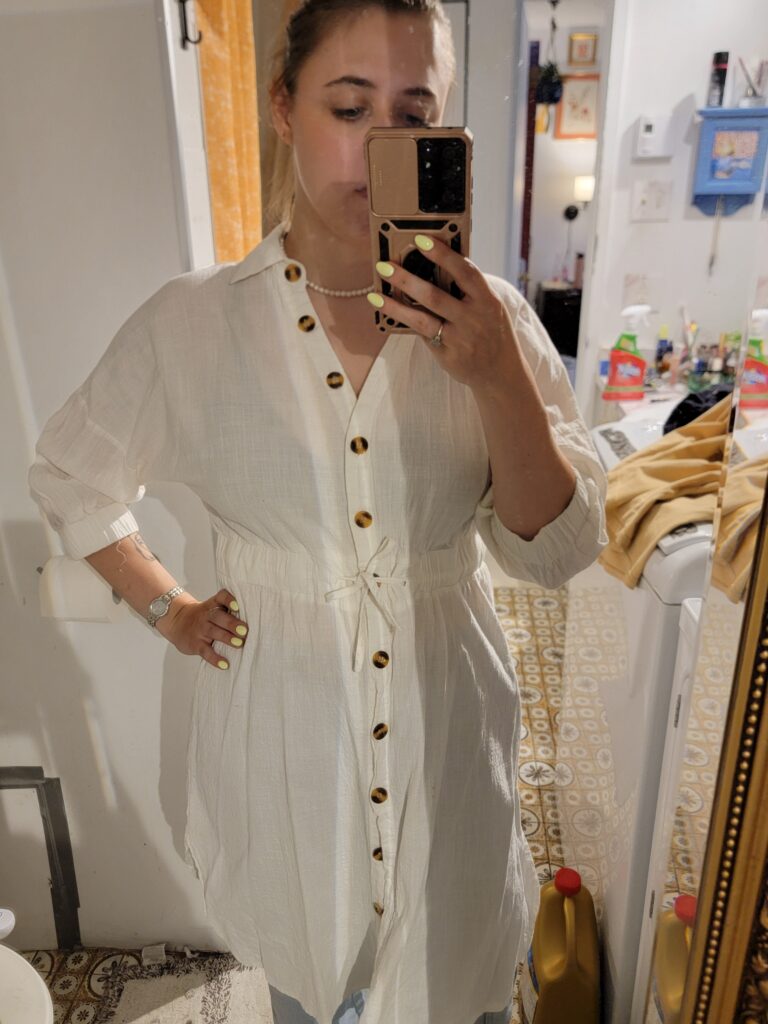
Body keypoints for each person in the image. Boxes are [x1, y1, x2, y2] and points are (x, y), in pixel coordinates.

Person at [27, 1, 608, 1021]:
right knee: (306, 990)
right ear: (284, 109)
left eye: (412, 115)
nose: (379, 146)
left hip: (450, 750)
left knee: (454, 986)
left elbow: (554, 551)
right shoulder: (194, 324)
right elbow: (72, 473)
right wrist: (169, 608)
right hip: (282, 768)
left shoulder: (498, 322)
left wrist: (498, 380)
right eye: (350, 108)